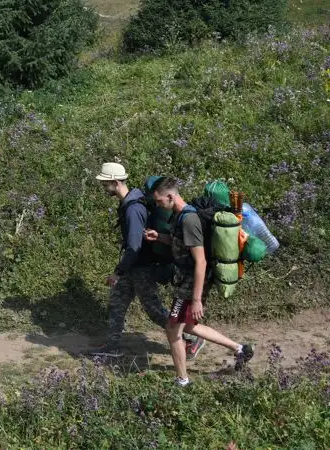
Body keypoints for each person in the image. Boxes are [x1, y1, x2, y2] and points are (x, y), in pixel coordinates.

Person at [146, 177, 254, 386]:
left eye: (159, 201)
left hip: (189, 285)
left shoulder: (189, 220)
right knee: (188, 326)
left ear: (171, 196)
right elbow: (182, 244)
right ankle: (240, 349)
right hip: (185, 281)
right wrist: (159, 236)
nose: (158, 205)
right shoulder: (179, 216)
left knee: (172, 329)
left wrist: (196, 300)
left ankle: (182, 380)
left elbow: (201, 261)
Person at [91, 163, 204, 359]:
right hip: (133, 267)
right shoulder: (130, 203)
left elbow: (134, 247)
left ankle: (190, 338)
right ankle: (112, 345)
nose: (103, 188)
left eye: (105, 184)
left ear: (115, 182)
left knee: (154, 310)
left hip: (140, 267)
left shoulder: (133, 209)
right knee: (117, 302)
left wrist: (118, 271)